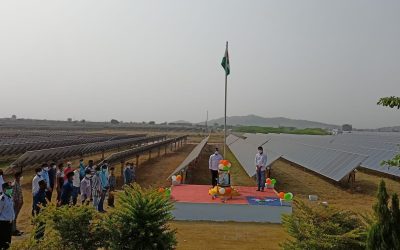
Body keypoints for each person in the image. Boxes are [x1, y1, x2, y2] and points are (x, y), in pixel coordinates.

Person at [0, 183, 15, 249]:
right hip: (3, 223)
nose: (10, 189)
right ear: (4, 189)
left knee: (8, 241)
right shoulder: (2, 199)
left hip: (9, 222)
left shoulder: (10, 197)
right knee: (3, 242)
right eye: (9, 188)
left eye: (11, 188)